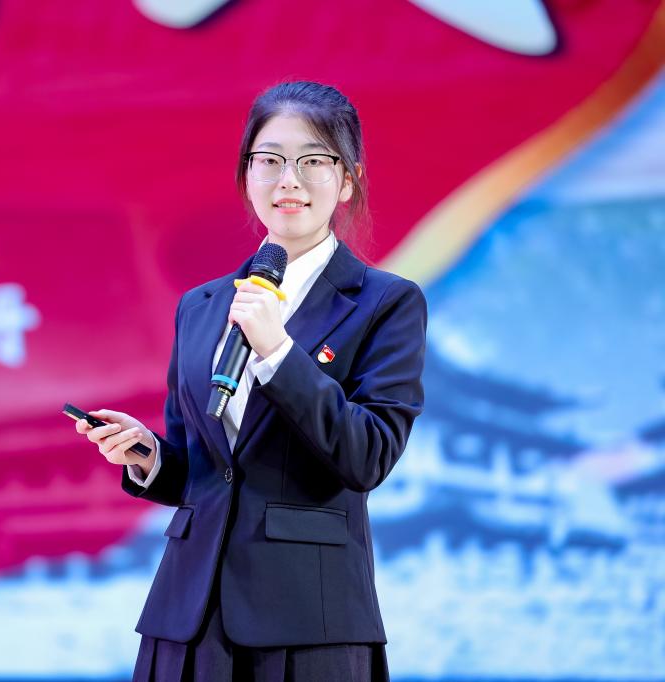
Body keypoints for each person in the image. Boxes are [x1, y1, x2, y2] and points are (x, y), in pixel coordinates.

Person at [75, 81, 427, 682]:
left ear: (348, 180)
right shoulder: (201, 305)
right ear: (246, 176)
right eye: (270, 160)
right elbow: (207, 472)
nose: (289, 180)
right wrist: (149, 457)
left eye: (313, 161)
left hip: (307, 619)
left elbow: (367, 455)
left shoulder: (385, 302)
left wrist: (278, 350)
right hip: (189, 615)